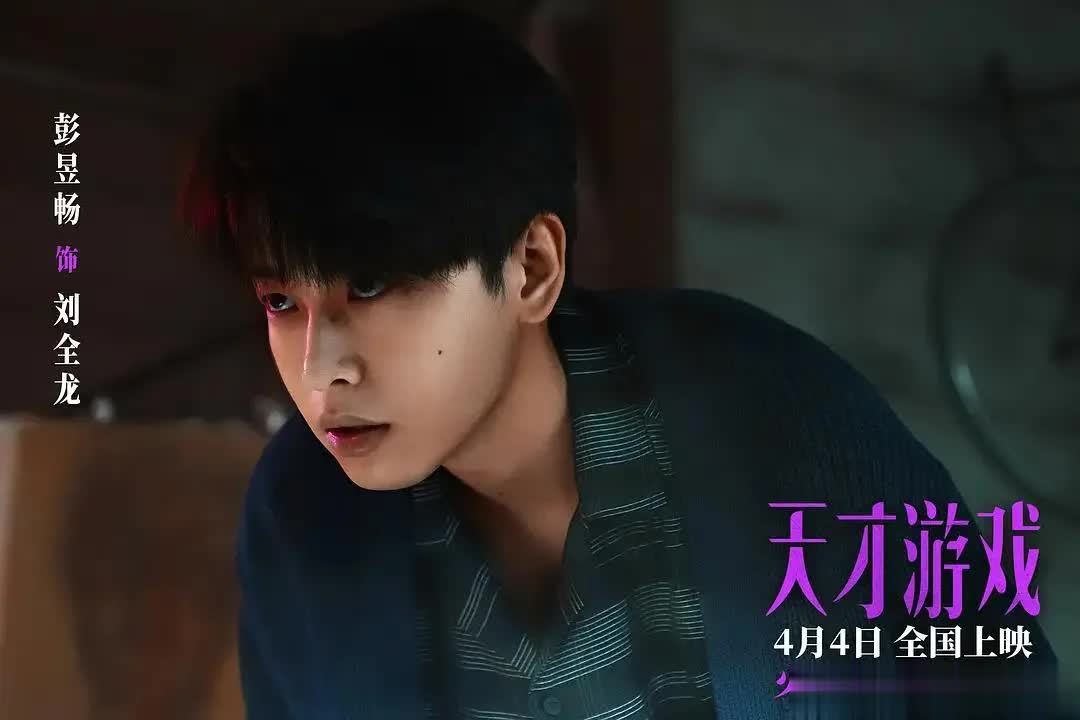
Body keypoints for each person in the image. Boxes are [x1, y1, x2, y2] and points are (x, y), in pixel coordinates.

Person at [178, 6, 1060, 719]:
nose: (318, 369)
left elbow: (995, 673)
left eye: (369, 287)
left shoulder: (774, 409)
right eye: (281, 302)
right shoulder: (302, 516)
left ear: (531, 268)